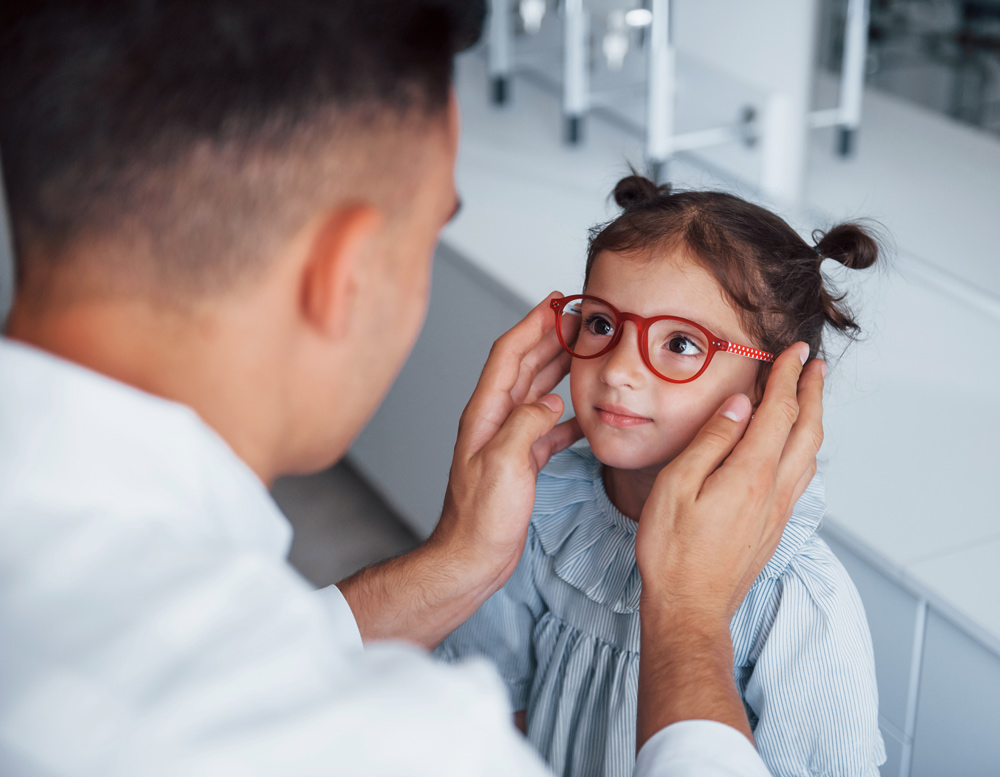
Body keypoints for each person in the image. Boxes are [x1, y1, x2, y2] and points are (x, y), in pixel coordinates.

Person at [0, 2, 825, 775]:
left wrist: (457, 563)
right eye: (432, 230)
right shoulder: (402, 744)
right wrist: (687, 623)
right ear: (346, 274)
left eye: (678, 343)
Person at [436, 175, 887, 777]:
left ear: (774, 386)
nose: (619, 369)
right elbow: (491, 702)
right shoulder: (539, 506)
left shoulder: (799, 596)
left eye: (680, 342)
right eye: (601, 324)